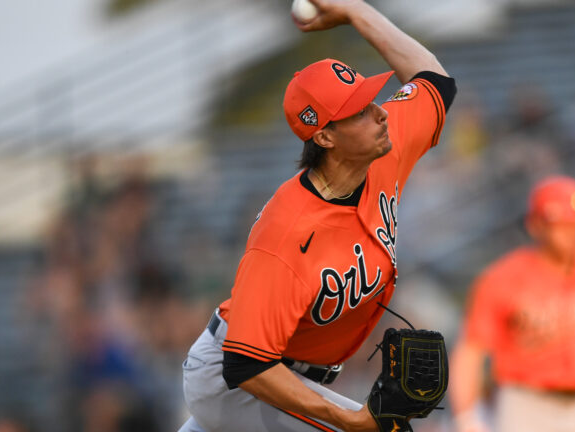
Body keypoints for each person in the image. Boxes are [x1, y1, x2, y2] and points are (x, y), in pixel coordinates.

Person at [177, 0, 456, 431]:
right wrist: (349, 418)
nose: (381, 112)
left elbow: (435, 80)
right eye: (360, 110)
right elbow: (245, 364)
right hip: (240, 383)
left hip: (282, 378)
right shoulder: (287, 230)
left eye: (371, 98)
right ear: (325, 135)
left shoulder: (380, 148)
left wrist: (357, 12)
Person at [450, 176, 575, 432]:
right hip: (525, 404)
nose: (573, 233)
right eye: (563, 225)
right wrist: (467, 417)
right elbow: (470, 351)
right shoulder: (502, 278)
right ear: (536, 225)